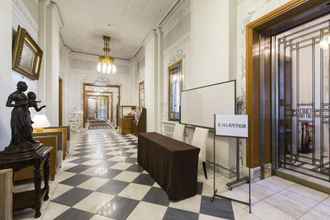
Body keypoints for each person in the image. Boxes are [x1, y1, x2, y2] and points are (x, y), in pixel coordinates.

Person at [6, 81, 33, 147]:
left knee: (28, 126)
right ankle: (18, 142)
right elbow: (8, 104)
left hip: (25, 112)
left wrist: (30, 103)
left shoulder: (23, 94)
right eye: (23, 87)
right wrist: (18, 104)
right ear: (19, 87)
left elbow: (26, 102)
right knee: (18, 128)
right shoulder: (13, 95)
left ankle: (28, 139)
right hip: (17, 113)